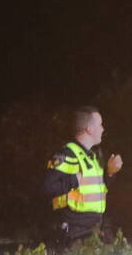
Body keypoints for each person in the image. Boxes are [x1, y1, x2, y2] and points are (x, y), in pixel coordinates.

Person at [43, 106, 123, 247]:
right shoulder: (67, 154)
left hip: (94, 228)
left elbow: (95, 190)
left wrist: (109, 172)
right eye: (100, 125)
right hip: (74, 231)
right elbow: (47, 188)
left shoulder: (92, 156)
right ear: (89, 129)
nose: (103, 129)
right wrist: (73, 180)